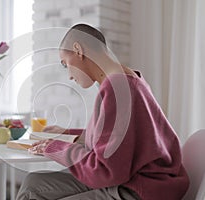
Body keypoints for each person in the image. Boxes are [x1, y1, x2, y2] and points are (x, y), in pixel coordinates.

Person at [16, 23, 189, 200]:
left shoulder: (118, 89)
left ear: (78, 50)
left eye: (65, 64)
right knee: (33, 183)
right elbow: (117, 141)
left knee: (32, 194)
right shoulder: (126, 79)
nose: (69, 75)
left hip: (139, 188)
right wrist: (67, 133)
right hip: (132, 177)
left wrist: (56, 148)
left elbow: (104, 171)